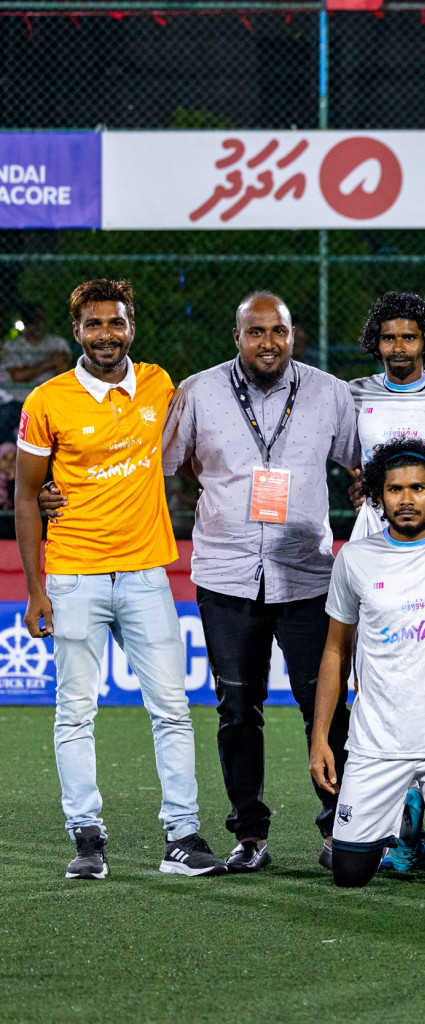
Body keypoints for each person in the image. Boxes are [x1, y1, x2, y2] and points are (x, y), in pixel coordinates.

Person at [15, 279, 224, 878]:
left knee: (173, 709)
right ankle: (87, 839)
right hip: (74, 576)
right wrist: (35, 589)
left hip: (146, 575)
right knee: (76, 711)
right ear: (76, 331)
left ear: (131, 325)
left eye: (116, 322)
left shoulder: (160, 385)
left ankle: (182, 837)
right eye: (93, 325)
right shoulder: (47, 400)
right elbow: (27, 496)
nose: (106, 334)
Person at [160, 290, 361, 872]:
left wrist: (359, 486)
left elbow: (359, 464)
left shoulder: (329, 392)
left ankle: (338, 828)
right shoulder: (198, 392)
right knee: (237, 709)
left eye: (279, 331)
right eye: (255, 332)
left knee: (322, 706)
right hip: (226, 573)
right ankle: (250, 835)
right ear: (237, 337)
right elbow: (168, 464)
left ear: (292, 335)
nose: (268, 342)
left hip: (307, 573)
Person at [308, 438, 425, 888]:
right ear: (377, 496)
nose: (406, 500)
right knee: (348, 874)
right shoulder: (354, 558)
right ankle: (402, 816)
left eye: (418, 488)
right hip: (376, 745)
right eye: (394, 490)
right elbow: (335, 649)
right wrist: (319, 740)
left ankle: (419, 817)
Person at [348, 291, 425, 538]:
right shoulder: (355, 393)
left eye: (409, 337)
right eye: (389, 338)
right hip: (374, 532)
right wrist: (362, 482)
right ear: (376, 343)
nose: (398, 347)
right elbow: (338, 449)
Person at [3, 303, 73, 437]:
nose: (37, 324)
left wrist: (30, 371)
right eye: (32, 320)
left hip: (51, 400)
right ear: (25, 322)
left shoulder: (58, 343)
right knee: (4, 417)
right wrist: (50, 363)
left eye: (40, 319)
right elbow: (18, 376)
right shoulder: (12, 346)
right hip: (20, 401)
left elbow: (63, 373)